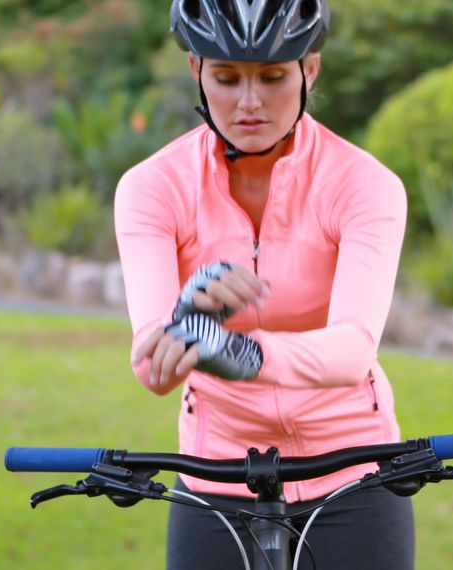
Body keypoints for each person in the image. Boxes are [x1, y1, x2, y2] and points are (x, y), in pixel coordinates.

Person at [113, 0, 413, 567]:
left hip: (353, 467)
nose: (249, 103)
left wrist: (243, 354)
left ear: (310, 70)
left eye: (273, 77)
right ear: (196, 71)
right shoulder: (152, 188)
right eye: (226, 78)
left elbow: (353, 349)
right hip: (217, 471)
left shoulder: (364, 185)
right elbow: (153, 369)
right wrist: (182, 325)